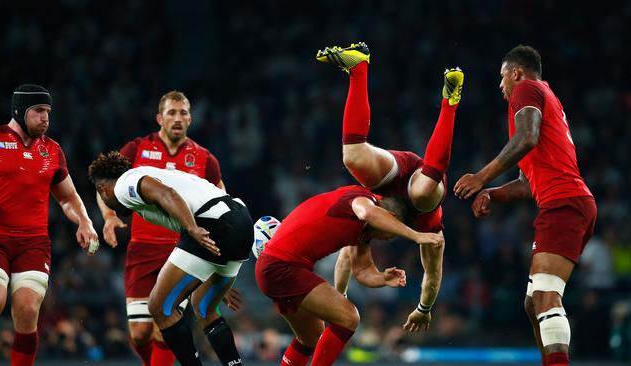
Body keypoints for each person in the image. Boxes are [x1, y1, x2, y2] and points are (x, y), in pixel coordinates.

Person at [453, 45, 597, 366]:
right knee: (533, 302)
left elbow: (526, 138)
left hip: (564, 203)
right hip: (564, 202)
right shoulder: (546, 98)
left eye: (501, 77)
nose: (500, 85)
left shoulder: (526, 89)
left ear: (515, 72)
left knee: (546, 298)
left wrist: (480, 176)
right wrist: (491, 193)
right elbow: (525, 184)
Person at [316, 42, 463, 330]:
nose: (377, 237)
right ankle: (449, 101)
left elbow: (432, 276)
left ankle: (359, 70)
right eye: (384, 236)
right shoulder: (428, 231)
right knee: (421, 194)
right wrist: (339, 300)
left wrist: (424, 309)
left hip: (417, 181)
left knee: (352, 156)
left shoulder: (416, 231)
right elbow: (348, 257)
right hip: (420, 180)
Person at [96, 90, 233, 366]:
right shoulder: (136, 149)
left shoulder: (205, 158)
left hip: (183, 252)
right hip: (142, 250)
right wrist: (110, 216)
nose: (178, 118)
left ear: (191, 119)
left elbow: (222, 205)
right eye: (171, 112)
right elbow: (104, 184)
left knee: (164, 324)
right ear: (160, 117)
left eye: (183, 113)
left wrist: (221, 265)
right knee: (140, 333)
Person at [89, 152, 251, 366]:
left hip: (212, 223)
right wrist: (215, 271)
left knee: (159, 306)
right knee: (204, 307)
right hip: (241, 221)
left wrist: (192, 228)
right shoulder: (155, 177)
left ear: (103, 190)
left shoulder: (124, 185)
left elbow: (169, 194)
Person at [255, 185, 444, 366]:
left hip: (274, 267)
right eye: (393, 232)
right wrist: (416, 236)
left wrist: (382, 278)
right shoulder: (363, 200)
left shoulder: (363, 231)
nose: (389, 239)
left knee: (310, 337)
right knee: (349, 317)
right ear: (390, 217)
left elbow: (362, 271)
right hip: (281, 266)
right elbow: (367, 212)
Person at [0, 84, 99, 366]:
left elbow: (68, 198)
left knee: (27, 309)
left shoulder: (52, 151)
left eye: (48, 111)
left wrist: (84, 221)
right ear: (20, 111)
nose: (46, 117)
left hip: (33, 242)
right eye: (39, 111)